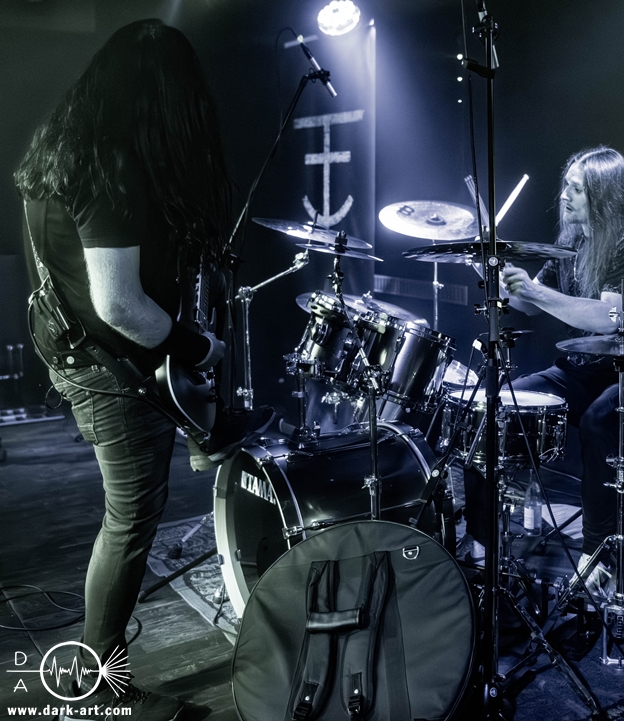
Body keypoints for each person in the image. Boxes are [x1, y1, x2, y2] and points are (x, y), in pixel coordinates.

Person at [14, 19, 267, 721]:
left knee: (128, 513)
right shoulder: (111, 165)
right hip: (106, 367)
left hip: (73, 351)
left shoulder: (62, 145)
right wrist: (198, 347)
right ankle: (97, 682)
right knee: (130, 520)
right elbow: (118, 304)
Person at [463, 146, 624, 585]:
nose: (564, 195)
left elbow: (610, 316)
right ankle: (484, 544)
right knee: (495, 405)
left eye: (576, 188)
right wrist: (499, 274)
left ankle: (596, 554)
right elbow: (531, 304)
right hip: (580, 370)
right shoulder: (572, 241)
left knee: (599, 421)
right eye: (566, 187)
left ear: (604, 193)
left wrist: (535, 292)